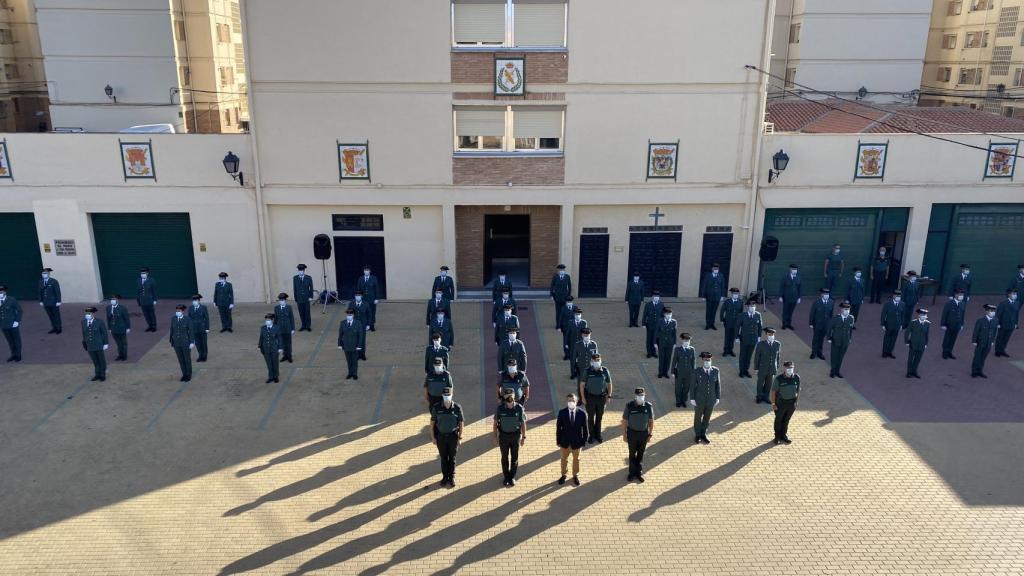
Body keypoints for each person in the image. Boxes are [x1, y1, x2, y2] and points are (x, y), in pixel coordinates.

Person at [430, 386, 463, 488]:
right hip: (441, 437)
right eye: (445, 395)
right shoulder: (437, 407)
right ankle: (445, 477)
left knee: (452, 458)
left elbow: (461, 424)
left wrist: (460, 437)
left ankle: (451, 477)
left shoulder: (457, 408)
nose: (447, 397)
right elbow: (432, 424)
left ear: (451, 395)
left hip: (453, 437)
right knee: (444, 458)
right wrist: (433, 438)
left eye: (448, 395)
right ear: (442, 396)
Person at [494, 388, 527, 487]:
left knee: (514, 457)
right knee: (504, 458)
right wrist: (495, 437)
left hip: (515, 436)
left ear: (514, 396)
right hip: (503, 436)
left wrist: (523, 437)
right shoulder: (500, 409)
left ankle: (512, 477)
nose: (509, 398)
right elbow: (495, 423)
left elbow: (523, 423)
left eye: (511, 395)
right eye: (507, 396)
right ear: (504, 397)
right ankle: (506, 477)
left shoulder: (519, 408)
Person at [621, 387, 655, 483]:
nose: (640, 397)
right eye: (639, 396)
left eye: (642, 396)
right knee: (632, 454)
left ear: (644, 396)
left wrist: (650, 434)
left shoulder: (648, 406)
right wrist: (624, 435)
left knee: (640, 454)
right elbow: (624, 421)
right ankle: (631, 473)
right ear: (635, 396)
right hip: (632, 433)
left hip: (643, 434)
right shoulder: (629, 406)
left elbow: (651, 421)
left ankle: (638, 472)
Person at [556, 393, 588, 486]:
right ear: (567, 402)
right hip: (564, 442)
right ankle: (563, 475)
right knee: (563, 460)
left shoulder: (582, 414)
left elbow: (585, 429)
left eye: (573, 400)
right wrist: (558, 441)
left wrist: (583, 441)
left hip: (577, 443)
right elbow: (558, 428)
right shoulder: (562, 413)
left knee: (576, 460)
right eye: (569, 400)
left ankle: (575, 475)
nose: (571, 402)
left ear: (576, 402)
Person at [579, 353, 612, 443]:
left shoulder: (605, 371)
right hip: (590, 397)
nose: (597, 362)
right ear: (591, 362)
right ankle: (591, 435)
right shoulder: (587, 371)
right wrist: (583, 397)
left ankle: (598, 435)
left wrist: (609, 395)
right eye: (595, 361)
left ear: (601, 361)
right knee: (590, 418)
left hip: (601, 398)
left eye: (598, 360)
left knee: (599, 417)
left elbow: (609, 384)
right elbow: (582, 385)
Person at [689, 351, 720, 444]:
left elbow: (717, 385)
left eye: (709, 360)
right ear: (703, 361)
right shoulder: (697, 371)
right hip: (699, 399)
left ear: (711, 360)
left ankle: (703, 434)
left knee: (707, 418)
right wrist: (692, 398)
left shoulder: (715, 370)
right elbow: (692, 386)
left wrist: (718, 397)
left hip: (711, 399)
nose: (707, 362)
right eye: (705, 360)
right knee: (698, 418)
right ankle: (697, 435)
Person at [771, 361, 800, 444]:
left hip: (791, 404)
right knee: (778, 420)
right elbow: (773, 392)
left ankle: (784, 435)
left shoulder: (796, 378)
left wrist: (796, 402)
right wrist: (773, 404)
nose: (790, 370)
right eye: (788, 368)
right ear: (784, 369)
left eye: (791, 368)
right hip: (781, 404)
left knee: (786, 420)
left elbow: (798, 390)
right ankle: (777, 436)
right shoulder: (779, 379)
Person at [827, 301, 855, 379]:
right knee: (834, 356)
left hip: (845, 341)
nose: (847, 311)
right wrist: (829, 338)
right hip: (836, 341)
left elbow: (850, 330)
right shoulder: (835, 319)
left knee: (840, 357)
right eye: (845, 309)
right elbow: (829, 329)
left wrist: (849, 338)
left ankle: (837, 371)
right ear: (841, 310)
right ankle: (832, 371)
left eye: (848, 309)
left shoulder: (851, 318)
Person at [753, 327, 780, 403]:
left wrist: (776, 366)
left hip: (772, 368)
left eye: (772, 334)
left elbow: (778, 357)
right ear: (766, 335)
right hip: (762, 367)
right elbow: (757, 357)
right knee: (760, 383)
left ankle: (766, 396)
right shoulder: (761, 344)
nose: (771, 336)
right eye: (769, 334)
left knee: (769, 384)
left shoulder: (777, 344)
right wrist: (756, 368)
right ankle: (759, 396)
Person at [81, 307, 109, 382]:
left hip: (98, 344)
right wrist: (84, 343)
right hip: (90, 345)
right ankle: (97, 374)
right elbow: (84, 333)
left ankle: (102, 374)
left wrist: (105, 343)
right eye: (86, 314)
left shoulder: (99, 322)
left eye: (89, 313)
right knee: (95, 360)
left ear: (93, 314)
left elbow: (104, 333)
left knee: (101, 360)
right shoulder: (83, 322)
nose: (87, 315)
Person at [737, 299, 763, 378]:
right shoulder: (742, 315)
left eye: (754, 306)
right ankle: (741, 371)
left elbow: (760, 327)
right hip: (744, 338)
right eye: (751, 306)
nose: (753, 308)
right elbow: (737, 327)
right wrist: (737, 337)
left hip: (753, 339)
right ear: (748, 307)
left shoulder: (758, 315)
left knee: (749, 356)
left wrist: (759, 336)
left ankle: (746, 370)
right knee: (743, 355)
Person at [169, 304, 195, 382]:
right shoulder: (173, 319)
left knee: (187, 359)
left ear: (183, 311)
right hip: (177, 342)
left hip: (185, 342)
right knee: (181, 359)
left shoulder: (187, 319)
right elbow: (172, 329)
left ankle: (189, 374)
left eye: (179, 311)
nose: (177, 312)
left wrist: (192, 342)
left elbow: (191, 331)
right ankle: (184, 374)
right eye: (176, 311)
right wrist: (171, 340)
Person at [971, 304, 998, 378]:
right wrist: (974, 341)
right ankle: (974, 371)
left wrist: (992, 340)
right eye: (991, 311)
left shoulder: (996, 320)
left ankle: (980, 371)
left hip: (988, 343)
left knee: (983, 358)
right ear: (986, 311)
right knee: (977, 357)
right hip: (980, 342)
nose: (993, 312)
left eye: (993, 311)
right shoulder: (980, 321)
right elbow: (976, 331)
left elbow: (995, 331)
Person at [337, 307, 365, 380]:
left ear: (353, 315)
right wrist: (339, 344)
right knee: (349, 361)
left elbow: (360, 336)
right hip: (346, 345)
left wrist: (359, 345)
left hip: (354, 346)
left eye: (350, 314)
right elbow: (340, 334)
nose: (349, 316)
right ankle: (350, 373)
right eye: (348, 314)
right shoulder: (342, 323)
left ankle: (355, 374)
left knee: (354, 361)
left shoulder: (358, 323)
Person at [670, 332, 696, 408]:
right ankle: (678, 401)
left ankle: (684, 401)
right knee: (678, 388)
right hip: (679, 372)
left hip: (689, 373)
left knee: (686, 388)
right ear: (682, 341)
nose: (686, 342)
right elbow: (674, 361)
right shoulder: (678, 350)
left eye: (688, 341)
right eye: (685, 341)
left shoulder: (692, 350)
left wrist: (694, 372)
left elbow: (693, 361)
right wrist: (672, 372)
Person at [940, 289, 966, 359]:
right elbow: (944, 314)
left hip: (957, 325)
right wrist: (943, 324)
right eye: (960, 295)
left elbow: (962, 315)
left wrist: (962, 324)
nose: (962, 296)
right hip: (949, 325)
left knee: (953, 339)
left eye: (962, 295)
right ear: (956, 295)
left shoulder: (963, 303)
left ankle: (949, 352)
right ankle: (944, 352)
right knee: (947, 339)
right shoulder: (949, 304)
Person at [808, 288, 833, 360]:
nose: (826, 295)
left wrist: (830, 323)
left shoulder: (831, 302)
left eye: (827, 294)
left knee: (821, 339)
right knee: (816, 338)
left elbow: (831, 313)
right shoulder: (816, 302)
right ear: (822, 294)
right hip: (817, 324)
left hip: (826, 324)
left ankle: (819, 352)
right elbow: (812, 313)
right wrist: (811, 323)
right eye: (825, 294)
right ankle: (813, 352)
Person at [881, 290, 906, 359]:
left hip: (897, 325)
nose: (898, 297)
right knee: (887, 339)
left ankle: (889, 352)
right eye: (897, 296)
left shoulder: (902, 304)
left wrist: (901, 325)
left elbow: (903, 315)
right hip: (889, 324)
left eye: (899, 296)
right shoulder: (888, 304)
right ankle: (884, 352)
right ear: (893, 296)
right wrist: (882, 324)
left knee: (893, 340)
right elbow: (883, 314)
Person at [905, 308, 929, 379]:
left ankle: (914, 371)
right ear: (919, 315)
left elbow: (927, 334)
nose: (924, 316)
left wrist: (926, 343)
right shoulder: (913, 322)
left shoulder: (927, 323)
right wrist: (907, 342)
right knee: (910, 358)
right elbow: (907, 332)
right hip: (913, 343)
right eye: (922, 315)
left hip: (922, 344)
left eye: (925, 315)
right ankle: (909, 372)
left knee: (918, 359)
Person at [258, 312, 282, 383]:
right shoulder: (263, 328)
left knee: (275, 363)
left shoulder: (277, 328)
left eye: (269, 320)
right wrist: (259, 346)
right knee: (269, 363)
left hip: (274, 348)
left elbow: (280, 338)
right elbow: (261, 337)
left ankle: (276, 376)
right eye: (266, 320)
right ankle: (270, 376)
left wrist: (280, 348)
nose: (267, 322)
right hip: (266, 348)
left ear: (272, 320)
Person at [995, 289, 1020, 357]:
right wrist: (998, 323)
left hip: (1011, 324)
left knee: (1006, 338)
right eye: (1013, 294)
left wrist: (1016, 323)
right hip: (1003, 324)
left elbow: (1016, 314)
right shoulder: (1003, 303)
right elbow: (999, 314)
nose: (1015, 295)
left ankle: (1002, 350)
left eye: (1015, 294)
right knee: (1000, 338)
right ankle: (997, 351)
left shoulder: (1017, 303)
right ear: (1009, 295)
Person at [0, 285, 22, 362]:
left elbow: (19, 310)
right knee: (10, 341)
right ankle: (13, 354)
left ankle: (18, 355)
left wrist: (17, 321)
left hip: (12, 324)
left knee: (16, 340)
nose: (0, 293)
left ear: (5, 292)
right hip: (3, 325)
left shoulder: (11, 300)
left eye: (1, 291)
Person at [106, 294, 131, 361]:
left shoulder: (122, 308)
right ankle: (120, 355)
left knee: (124, 343)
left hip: (121, 328)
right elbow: (108, 319)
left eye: (114, 299)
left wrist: (128, 327)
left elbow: (126, 318)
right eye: (111, 299)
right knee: (118, 343)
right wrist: (109, 328)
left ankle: (124, 356)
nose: (112, 301)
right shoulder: (108, 308)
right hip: (113, 329)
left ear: (117, 300)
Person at [701, 263, 726, 330]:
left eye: (717, 269)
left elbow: (723, 286)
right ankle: (708, 324)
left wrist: (722, 295)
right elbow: (705, 286)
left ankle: (712, 324)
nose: (716, 270)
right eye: (715, 268)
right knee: (709, 310)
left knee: (714, 311)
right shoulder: (708, 275)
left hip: (717, 296)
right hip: (709, 296)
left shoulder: (721, 275)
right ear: (712, 269)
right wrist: (703, 296)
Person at [720, 288, 743, 357]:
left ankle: (730, 350)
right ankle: (725, 350)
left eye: (736, 294)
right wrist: (721, 320)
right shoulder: (727, 302)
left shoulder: (740, 302)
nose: (735, 295)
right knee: (727, 336)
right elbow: (722, 310)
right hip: (728, 322)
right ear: (732, 294)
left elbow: (741, 313)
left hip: (736, 323)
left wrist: (741, 322)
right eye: (734, 294)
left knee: (733, 337)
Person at [356, 266, 380, 331]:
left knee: (372, 312)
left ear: (370, 271)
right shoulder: (360, 279)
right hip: (363, 299)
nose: (366, 271)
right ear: (363, 271)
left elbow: (376, 289)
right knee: (363, 312)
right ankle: (364, 325)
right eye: (365, 270)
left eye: (367, 270)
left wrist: (376, 298)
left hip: (372, 299)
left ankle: (372, 325)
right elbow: (358, 289)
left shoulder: (374, 278)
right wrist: (358, 298)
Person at [655, 307, 678, 378]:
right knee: (661, 358)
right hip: (661, 342)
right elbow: (656, 333)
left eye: (670, 314)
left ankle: (666, 372)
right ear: (664, 314)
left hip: (670, 343)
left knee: (668, 358)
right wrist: (655, 343)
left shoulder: (674, 322)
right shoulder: (660, 321)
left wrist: (674, 343)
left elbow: (674, 333)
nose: (669, 315)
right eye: (667, 314)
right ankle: (660, 372)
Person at [274, 293, 296, 363]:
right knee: (282, 343)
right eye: (280, 300)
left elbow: (291, 318)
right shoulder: (276, 308)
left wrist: (292, 328)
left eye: (283, 300)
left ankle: (289, 356)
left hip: (287, 328)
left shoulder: (289, 307)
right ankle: (285, 355)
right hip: (280, 329)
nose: (281, 301)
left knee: (288, 343)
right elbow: (276, 319)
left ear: (285, 301)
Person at [38, 267, 62, 334]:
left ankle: (59, 328)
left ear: (49, 274)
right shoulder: (41, 282)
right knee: (50, 315)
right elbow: (40, 292)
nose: (44, 274)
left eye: (45, 273)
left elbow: (57, 291)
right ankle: (54, 327)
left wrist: (58, 301)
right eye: (43, 273)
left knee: (56, 315)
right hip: (46, 302)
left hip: (53, 301)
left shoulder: (54, 281)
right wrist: (40, 301)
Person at [778, 264, 801, 330]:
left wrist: (799, 297)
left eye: (796, 269)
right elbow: (782, 287)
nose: (795, 271)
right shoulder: (785, 277)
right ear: (790, 269)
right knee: (785, 311)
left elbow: (799, 288)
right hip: (786, 297)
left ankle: (789, 324)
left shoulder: (798, 278)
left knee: (791, 311)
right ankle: (784, 324)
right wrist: (780, 296)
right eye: (793, 269)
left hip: (794, 298)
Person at [642, 290, 664, 358]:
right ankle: (649, 352)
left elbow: (662, 315)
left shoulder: (661, 304)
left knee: (656, 339)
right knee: (649, 339)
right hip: (650, 324)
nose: (656, 298)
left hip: (657, 325)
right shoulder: (648, 305)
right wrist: (643, 324)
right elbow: (645, 314)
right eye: (655, 296)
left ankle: (654, 352)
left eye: (657, 296)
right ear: (652, 297)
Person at [188, 294, 211, 362]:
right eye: (193, 300)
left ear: (198, 301)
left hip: (202, 327)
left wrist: (207, 328)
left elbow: (206, 318)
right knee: (198, 343)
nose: (194, 301)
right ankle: (200, 355)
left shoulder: (203, 307)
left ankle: (204, 356)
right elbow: (189, 319)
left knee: (203, 343)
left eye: (195, 300)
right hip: (194, 328)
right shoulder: (191, 308)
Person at [550, 264, 573, 329]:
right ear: (558, 270)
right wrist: (551, 295)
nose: (561, 271)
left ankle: (564, 324)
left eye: (563, 269)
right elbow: (552, 286)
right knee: (558, 312)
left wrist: (569, 296)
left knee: (564, 311)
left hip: (565, 297)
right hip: (557, 297)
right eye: (560, 269)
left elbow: (569, 287)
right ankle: (558, 325)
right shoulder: (555, 277)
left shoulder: (567, 277)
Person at [293, 263, 314, 332]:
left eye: (302, 270)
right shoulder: (295, 278)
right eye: (299, 270)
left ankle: (308, 326)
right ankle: (303, 325)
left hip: (306, 297)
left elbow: (311, 288)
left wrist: (311, 296)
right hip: (299, 298)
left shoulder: (308, 278)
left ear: (304, 271)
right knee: (301, 312)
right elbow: (295, 288)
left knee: (307, 312)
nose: (300, 272)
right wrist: (295, 297)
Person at [137, 267, 158, 332]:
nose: (142, 274)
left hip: (149, 300)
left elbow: (154, 291)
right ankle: (149, 325)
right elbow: (138, 291)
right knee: (146, 314)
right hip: (142, 300)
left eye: (144, 273)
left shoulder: (151, 280)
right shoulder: (138, 280)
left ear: (147, 273)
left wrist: (155, 300)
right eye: (141, 273)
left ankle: (154, 326)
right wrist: (138, 300)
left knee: (151, 314)